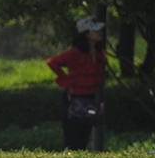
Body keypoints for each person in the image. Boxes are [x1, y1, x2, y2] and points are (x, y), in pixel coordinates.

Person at [46, 16, 108, 150]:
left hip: (90, 98)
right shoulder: (74, 53)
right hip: (73, 99)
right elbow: (53, 62)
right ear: (86, 34)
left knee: (84, 135)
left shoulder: (99, 53)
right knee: (72, 137)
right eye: (94, 30)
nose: (99, 33)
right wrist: (67, 80)